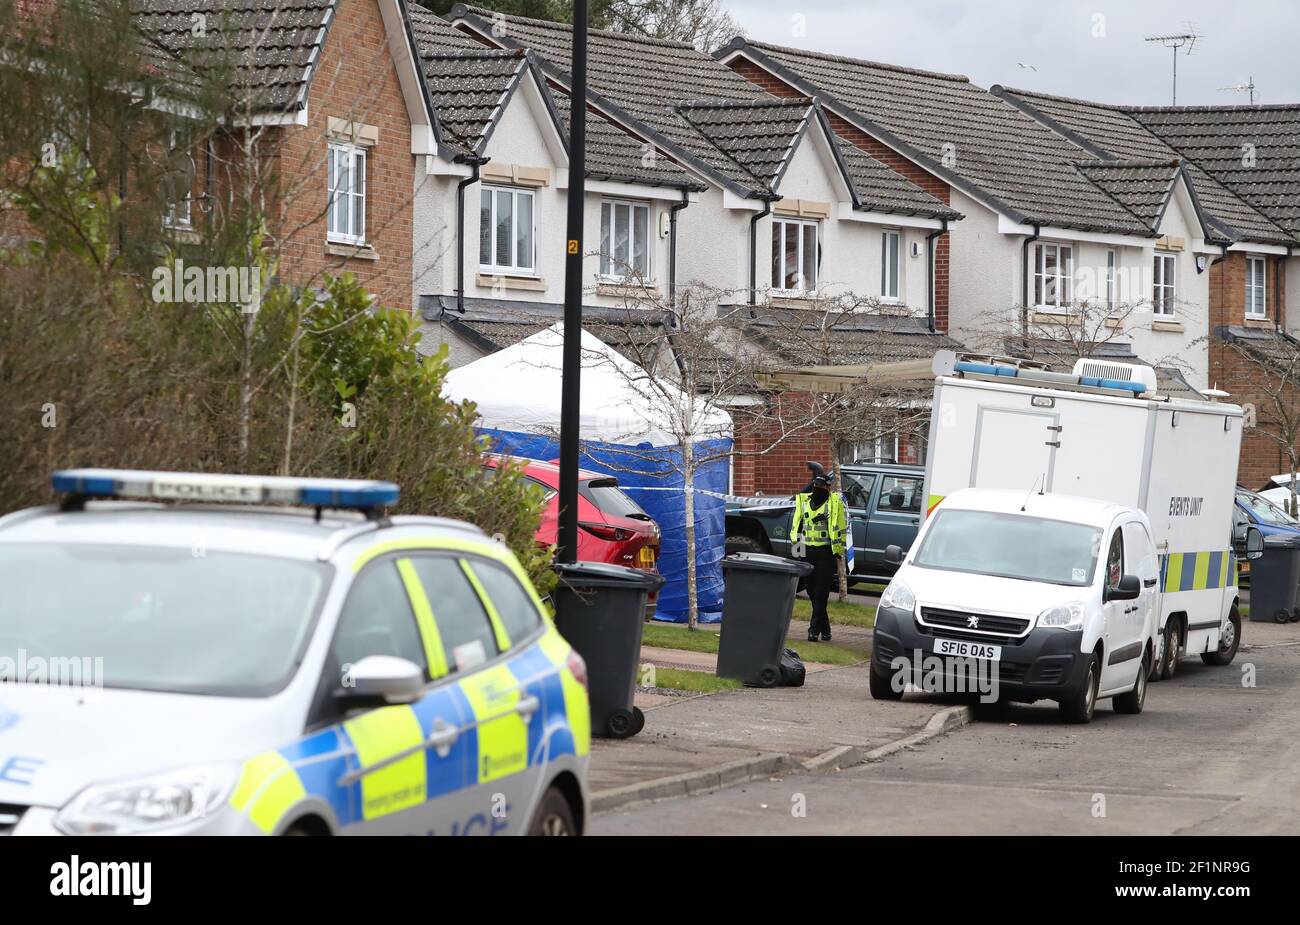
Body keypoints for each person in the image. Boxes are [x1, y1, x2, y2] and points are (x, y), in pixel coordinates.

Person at [791, 466, 847, 642]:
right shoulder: (804, 502)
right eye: (816, 486)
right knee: (812, 592)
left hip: (825, 553)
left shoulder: (834, 504)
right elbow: (797, 527)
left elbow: (840, 529)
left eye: (821, 487)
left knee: (821, 592)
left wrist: (838, 553)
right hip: (807, 552)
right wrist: (797, 552)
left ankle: (813, 630)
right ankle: (826, 629)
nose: (819, 490)